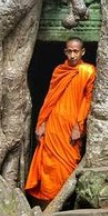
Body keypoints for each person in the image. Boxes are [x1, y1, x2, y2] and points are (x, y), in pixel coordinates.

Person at [25, 37, 96, 204]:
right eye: (69, 51)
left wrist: (79, 126)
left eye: (76, 51)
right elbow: (50, 98)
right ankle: (46, 202)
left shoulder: (88, 71)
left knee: (68, 164)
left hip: (72, 127)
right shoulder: (59, 70)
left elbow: (87, 101)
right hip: (53, 125)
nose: (72, 55)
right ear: (65, 51)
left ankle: (66, 203)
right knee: (49, 164)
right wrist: (41, 123)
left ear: (82, 52)